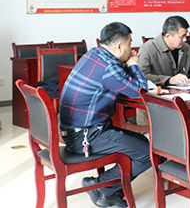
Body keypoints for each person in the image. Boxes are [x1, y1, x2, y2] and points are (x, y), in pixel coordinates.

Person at [59, 22, 151, 208]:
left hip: (78, 131)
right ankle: (98, 186)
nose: (131, 48)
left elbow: (118, 78)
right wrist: (133, 64)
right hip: (85, 137)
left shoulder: (93, 54)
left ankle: (108, 194)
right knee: (149, 154)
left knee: (144, 144)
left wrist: (126, 64)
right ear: (119, 46)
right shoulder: (109, 67)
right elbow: (140, 90)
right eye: (130, 44)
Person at [139, 15, 190, 87]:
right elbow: (142, 76)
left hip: (184, 93)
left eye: (186, 35)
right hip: (158, 94)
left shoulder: (186, 48)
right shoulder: (147, 49)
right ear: (168, 36)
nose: (185, 39)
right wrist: (169, 80)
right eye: (182, 36)